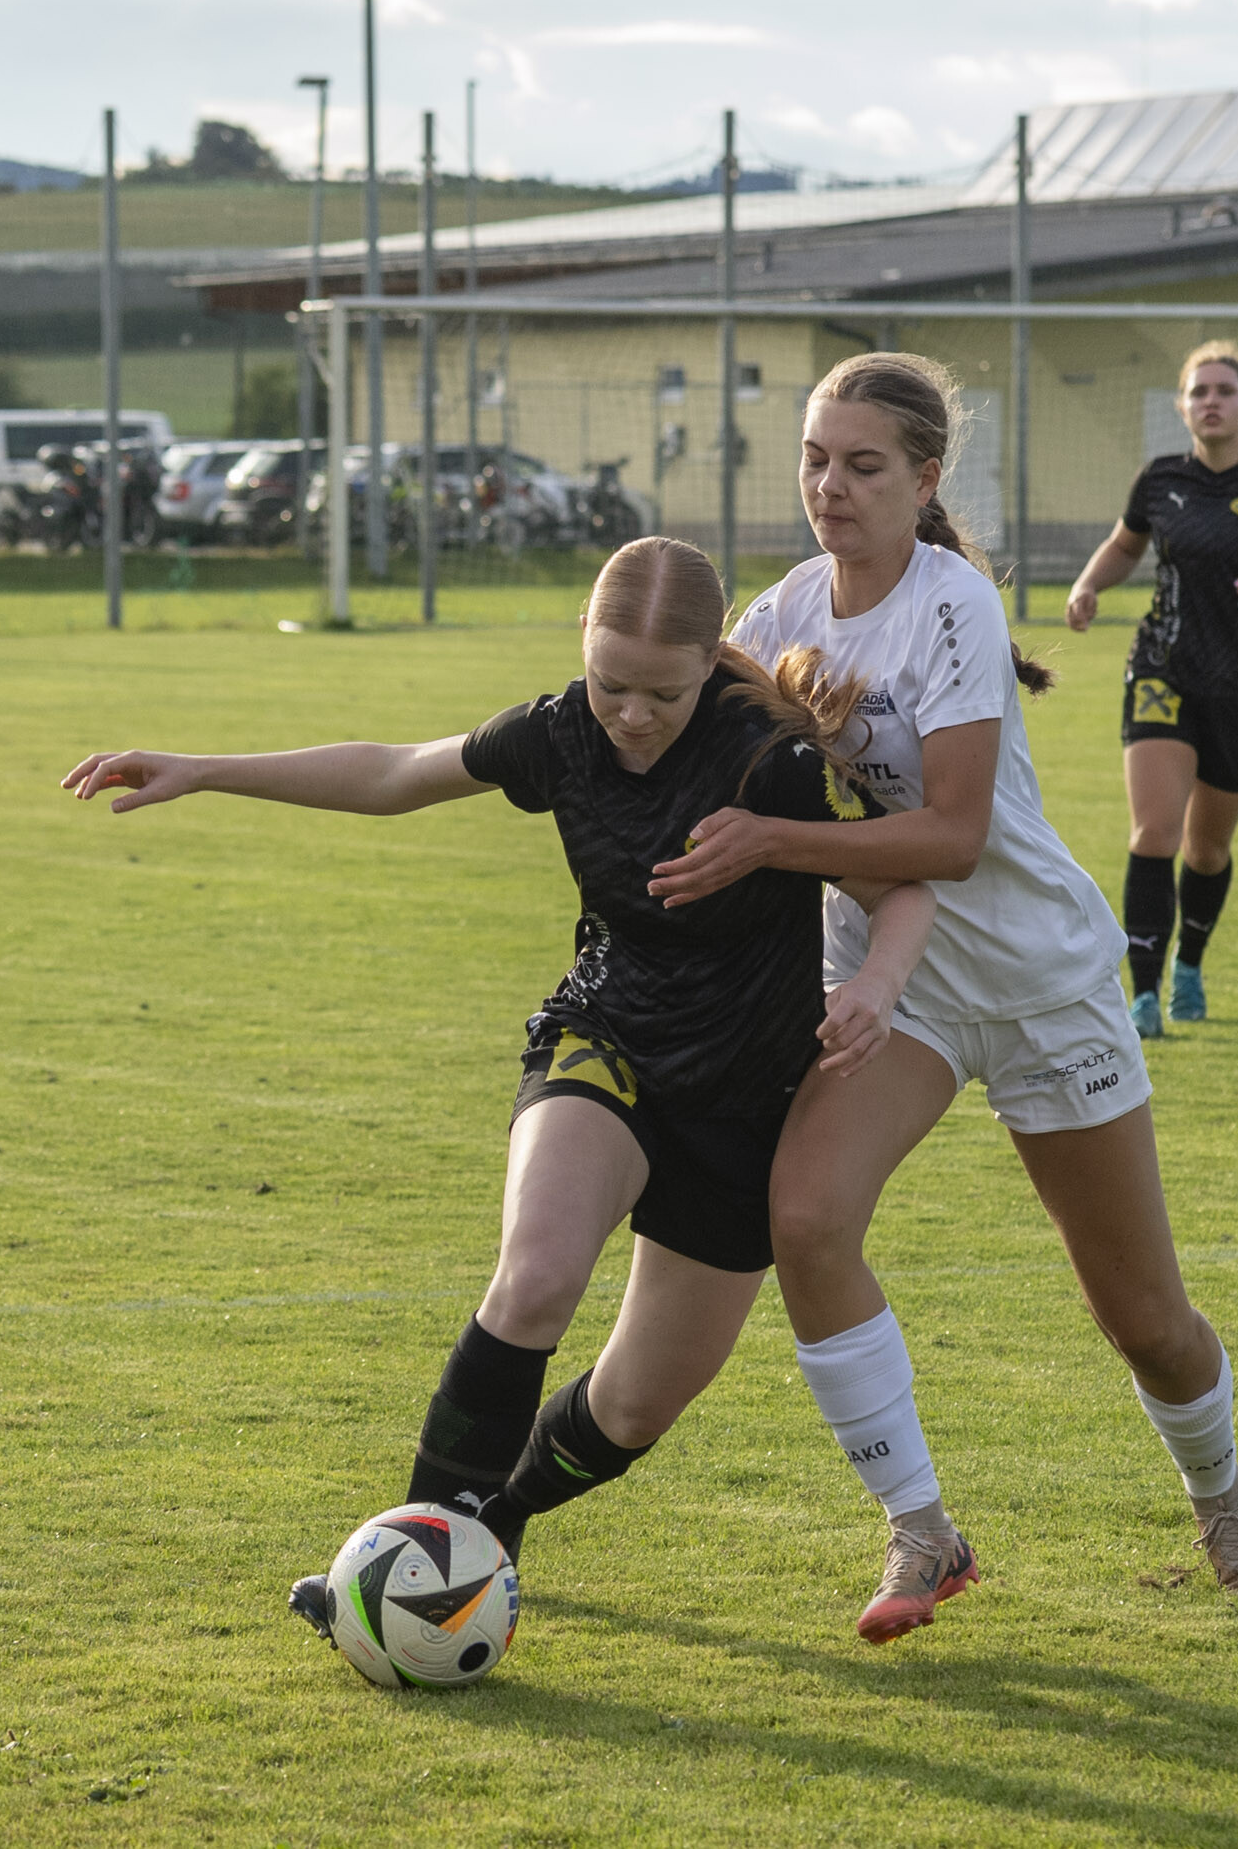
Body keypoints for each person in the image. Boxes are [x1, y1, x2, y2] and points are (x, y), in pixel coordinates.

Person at [59, 535, 936, 1608]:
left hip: (743, 1101)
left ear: (711, 658)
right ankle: (405, 1571)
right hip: (606, 1041)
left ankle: (491, 1523)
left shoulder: (772, 761)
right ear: (584, 643)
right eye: (611, 683)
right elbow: (394, 773)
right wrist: (204, 769)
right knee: (535, 1277)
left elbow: (905, 882)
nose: (631, 715)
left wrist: (876, 983)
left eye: (663, 693)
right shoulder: (559, 730)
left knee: (633, 1408)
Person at [649, 352, 1238, 1632]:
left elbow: (950, 837)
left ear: (926, 479)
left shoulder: (948, 603)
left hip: (1041, 982)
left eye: (863, 465)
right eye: (814, 460)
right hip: (897, 994)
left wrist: (772, 843)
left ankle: (1220, 1492)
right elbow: (664, 721)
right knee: (807, 1220)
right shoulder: (779, 615)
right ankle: (920, 1531)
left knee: (1143, 1319)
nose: (830, 488)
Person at [1063, 342, 1238, 1038]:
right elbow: (1125, 546)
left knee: (1206, 849)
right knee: (1153, 831)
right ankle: (1144, 995)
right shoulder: (1159, 480)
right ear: (1183, 408)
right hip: (1162, 667)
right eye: (1199, 392)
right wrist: (1089, 584)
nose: (1211, 402)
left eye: (1224, 391)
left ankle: (1189, 962)